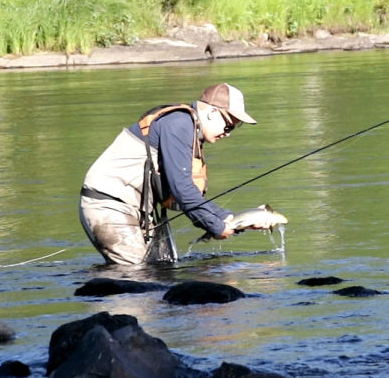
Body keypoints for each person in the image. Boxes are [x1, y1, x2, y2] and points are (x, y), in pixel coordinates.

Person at [79, 83, 262, 265]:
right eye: (228, 125)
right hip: (109, 207)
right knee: (139, 277)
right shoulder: (179, 124)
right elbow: (182, 190)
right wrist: (216, 226)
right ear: (213, 112)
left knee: (156, 275)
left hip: (128, 209)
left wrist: (232, 219)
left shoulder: (187, 127)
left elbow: (186, 193)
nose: (227, 134)